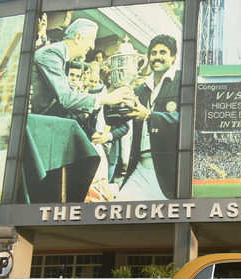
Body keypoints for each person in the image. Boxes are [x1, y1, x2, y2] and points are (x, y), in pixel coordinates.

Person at [115, 34, 181, 201]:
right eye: (153, 53)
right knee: (116, 214)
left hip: (169, 172)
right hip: (141, 169)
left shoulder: (183, 82)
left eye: (163, 52)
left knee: (166, 225)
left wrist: (151, 116)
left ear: (173, 57)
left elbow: (190, 121)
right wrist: (115, 96)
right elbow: (115, 120)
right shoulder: (140, 89)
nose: (157, 57)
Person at [30, 18, 133, 117]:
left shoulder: (63, 58)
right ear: (77, 37)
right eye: (91, 40)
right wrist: (106, 98)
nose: (92, 46)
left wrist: (108, 93)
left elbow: (72, 99)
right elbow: (67, 98)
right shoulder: (53, 54)